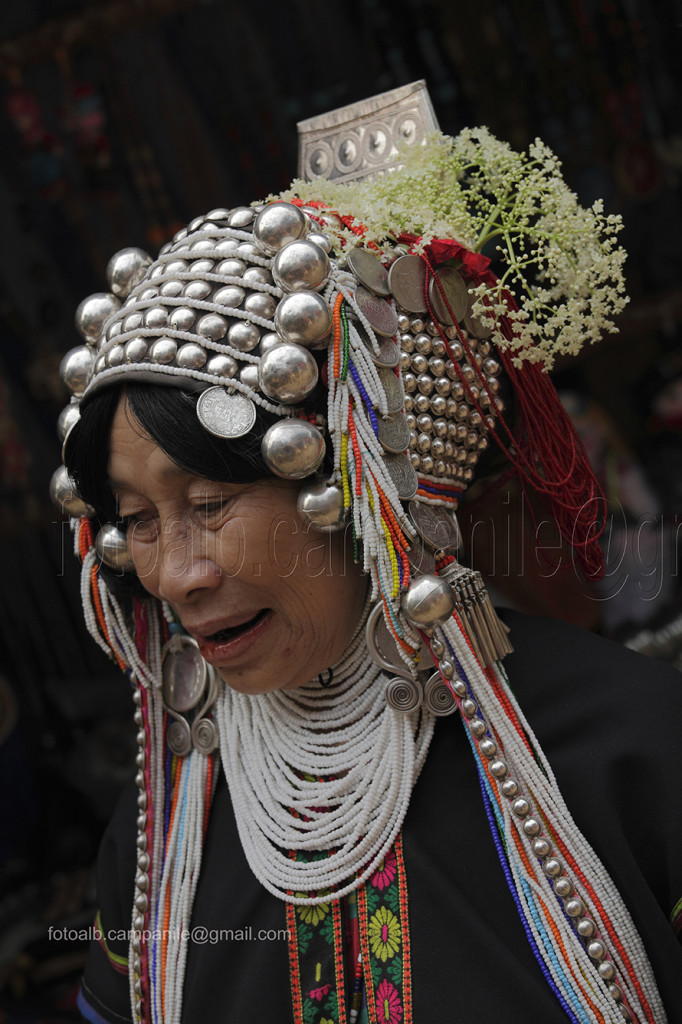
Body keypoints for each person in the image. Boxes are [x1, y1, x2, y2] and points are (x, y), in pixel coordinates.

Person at [52, 86, 682, 1024]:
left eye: (212, 503)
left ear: (363, 490)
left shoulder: (627, 749)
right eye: (138, 521)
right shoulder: (162, 840)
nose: (179, 574)